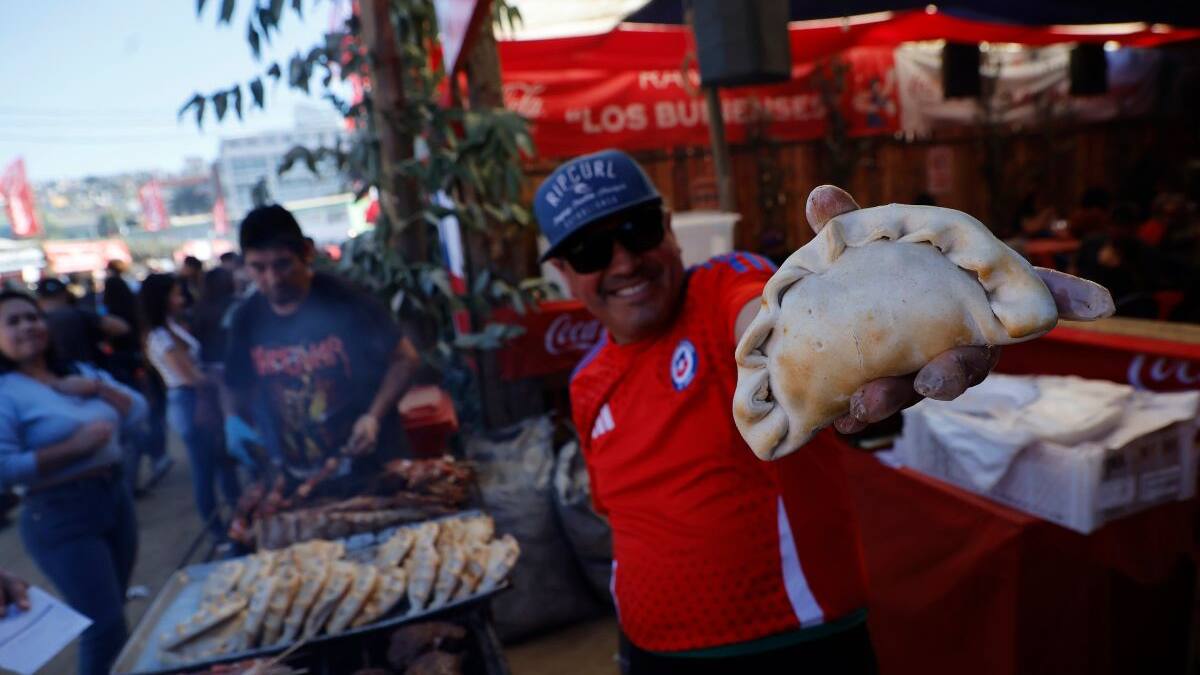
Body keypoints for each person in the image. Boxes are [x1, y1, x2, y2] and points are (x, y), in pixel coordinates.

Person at [534, 150, 1112, 674]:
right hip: (647, 647)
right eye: (590, 250)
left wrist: (876, 310)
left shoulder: (719, 290)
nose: (624, 261)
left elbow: (774, 326)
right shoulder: (588, 381)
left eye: (636, 230)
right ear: (562, 271)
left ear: (668, 229)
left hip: (790, 643)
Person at [0, 290, 147, 675]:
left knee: (116, 613)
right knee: (104, 624)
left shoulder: (77, 372)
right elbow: (3, 468)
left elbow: (138, 412)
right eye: (12, 322)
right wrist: (72, 448)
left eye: (32, 317)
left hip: (114, 496)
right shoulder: (5, 393)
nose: (27, 326)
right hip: (59, 512)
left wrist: (99, 389)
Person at [224, 205, 419, 482]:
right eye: (259, 267)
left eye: (283, 264)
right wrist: (232, 419)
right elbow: (235, 383)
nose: (272, 278)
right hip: (299, 474)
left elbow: (405, 359)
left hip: (371, 463)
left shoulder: (346, 299)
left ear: (307, 252)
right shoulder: (246, 319)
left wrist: (373, 417)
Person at [140, 274, 240, 538]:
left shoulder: (172, 328)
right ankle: (218, 532)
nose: (181, 299)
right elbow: (189, 377)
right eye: (175, 294)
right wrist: (217, 377)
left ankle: (238, 521)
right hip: (189, 401)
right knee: (204, 469)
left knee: (220, 462)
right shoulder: (161, 336)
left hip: (196, 399)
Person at [35, 277, 131, 366]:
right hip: (87, 369)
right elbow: (121, 327)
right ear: (65, 294)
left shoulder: (33, 321)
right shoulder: (79, 313)